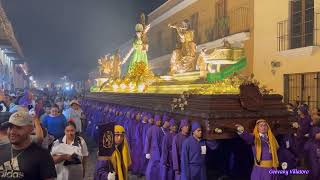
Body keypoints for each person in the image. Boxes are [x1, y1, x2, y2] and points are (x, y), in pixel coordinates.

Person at [0, 111, 57, 180]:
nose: (12, 132)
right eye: (10, 127)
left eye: (18, 128)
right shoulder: (1, 150)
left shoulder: (43, 155)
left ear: (31, 129)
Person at [144, 114, 165, 180]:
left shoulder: (161, 130)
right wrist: (147, 152)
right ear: (155, 121)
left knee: (157, 167)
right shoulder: (151, 129)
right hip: (152, 151)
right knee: (151, 167)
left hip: (159, 151)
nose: (159, 122)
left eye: (160, 121)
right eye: (158, 120)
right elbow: (147, 140)